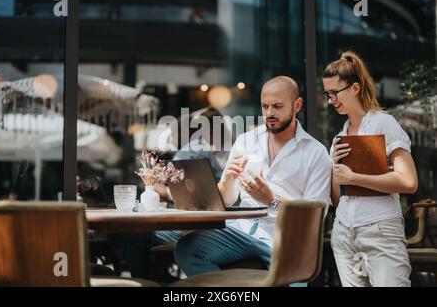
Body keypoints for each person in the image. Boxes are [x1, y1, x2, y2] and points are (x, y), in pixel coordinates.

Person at [172, 76, 333, 277]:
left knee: (291, 278)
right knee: (187, 249)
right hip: (242, 230)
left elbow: (314, 216)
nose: (269, 113)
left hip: (285, 238)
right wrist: (227, 180)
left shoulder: (316, 153)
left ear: (297, 105)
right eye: (265, 106)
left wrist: (272, 200)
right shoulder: (245, 141)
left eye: (277, 106)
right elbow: (228, 200)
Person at [323, 51, 418, 287]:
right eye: (327, 94)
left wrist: (354, 177)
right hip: (344, 232)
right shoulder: (339, 138)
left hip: (380, 229)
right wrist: (335, 170)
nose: (330, 100)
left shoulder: (383, 124)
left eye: (334, 93)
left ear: (355, 88)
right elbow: (338, 198)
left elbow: (409, 182)